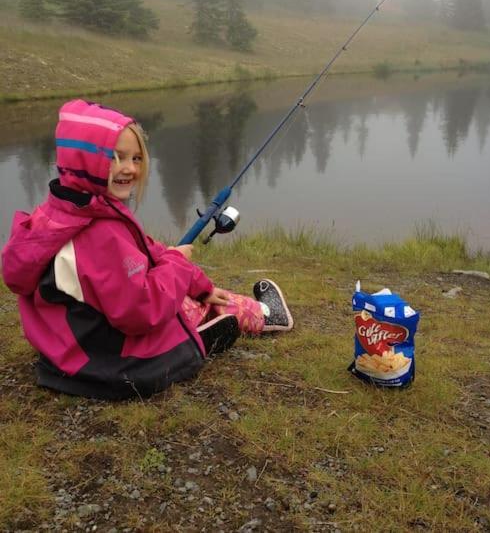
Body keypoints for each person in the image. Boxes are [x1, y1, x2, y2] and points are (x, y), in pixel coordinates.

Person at [1, 99, 293, 400]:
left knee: (188, 290)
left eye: (137, 159)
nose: (129, 168)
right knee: (188, 306)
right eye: (116, 157)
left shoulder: (60, 214)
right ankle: (265, 315)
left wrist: (197, 281)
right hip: (113, 364)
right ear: (83, 160)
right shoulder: (101, 235)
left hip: (65, 351)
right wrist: (179, 266)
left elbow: (146, 249)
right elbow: (140, 311)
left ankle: (206, 324)